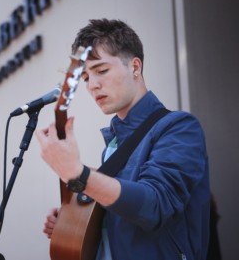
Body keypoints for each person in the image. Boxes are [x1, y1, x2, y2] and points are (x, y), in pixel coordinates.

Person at [36, 19, 210, 260]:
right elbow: (121, 218)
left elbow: (154, 205)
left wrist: (79, 175)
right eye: (86, 77)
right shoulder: (113, 145)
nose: (93, 85)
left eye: (101, 70)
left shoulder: (180, 127)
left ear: (135, 67)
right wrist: (73, 220)